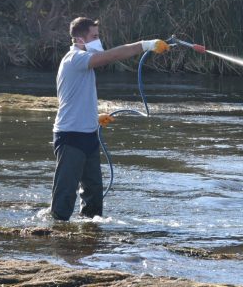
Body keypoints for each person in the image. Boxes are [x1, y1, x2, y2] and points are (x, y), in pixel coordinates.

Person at [49, 16, 168, 221]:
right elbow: (109, 57)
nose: (98, 40)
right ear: (79, 39)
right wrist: (145, 45)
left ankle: (90, 239)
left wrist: (94, 118)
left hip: (89, 136)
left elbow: (77, 97)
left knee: (94, 195)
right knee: (64, 197)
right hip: (70, 137)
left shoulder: (83, 64)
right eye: (94, 36)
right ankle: (57, 237)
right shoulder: (74, 59)